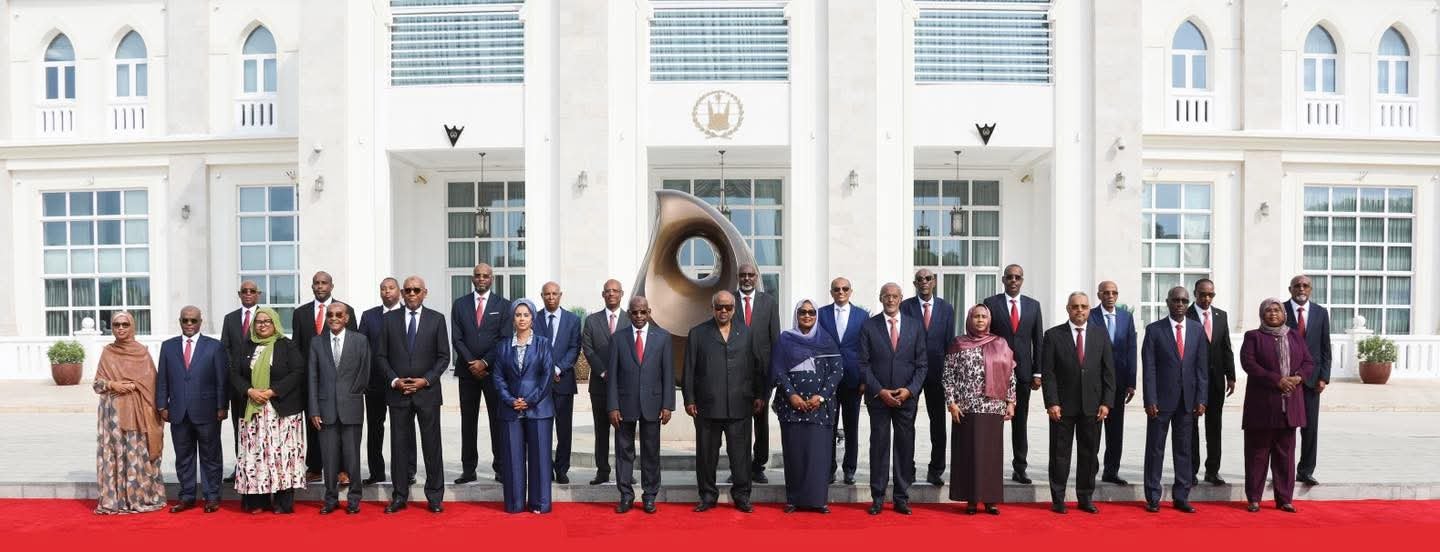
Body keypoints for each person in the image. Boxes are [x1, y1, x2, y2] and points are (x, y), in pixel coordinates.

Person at [684, 291, 763, 513]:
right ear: (713, 308)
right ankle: (708, 495)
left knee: (740, 455)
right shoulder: (698, 333)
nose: (724, 311)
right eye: (719, 307)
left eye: (728, 307)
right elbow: (689, 369)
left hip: (740, 406)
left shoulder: (746, 333)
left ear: (734, 309)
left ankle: (742, 495)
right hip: (708, 406)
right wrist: (689, 398)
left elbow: (757, 368)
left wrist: (759, 395)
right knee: (706, 456)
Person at [378, 276, 451, 514]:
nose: (411, 294)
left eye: (415, 290)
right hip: (398, 394)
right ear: (402, 292)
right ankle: (399, 496)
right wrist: (395, 381)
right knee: (399, 447)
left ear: (424, 293)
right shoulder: (388, 320)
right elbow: (381, 356)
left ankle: (435, 497)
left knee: (432, 446)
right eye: (407, 290)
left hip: (427, 393)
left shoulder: (436, 319)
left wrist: (425, 380)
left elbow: (443, 357)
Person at [1041, 293, 1115, 515]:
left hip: (1093, 407)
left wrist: (1107, 402)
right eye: (1075, 307)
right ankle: (1058, 498)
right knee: (1059, 454)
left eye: (1083, 306)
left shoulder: (1100, 335)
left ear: (1089, 309)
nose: (1079, 310)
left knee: (1089, 454)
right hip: (1062, 407)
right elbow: (1048, 373)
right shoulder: (1053, 335)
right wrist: (1052, 402)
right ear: (1068, 309)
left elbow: (1109, 371)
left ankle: (1085, 497)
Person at [230, 308, 308, 514]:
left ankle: (283, 502)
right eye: (258, 321)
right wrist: (249, 391)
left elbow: (298, 371)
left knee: (282, 456)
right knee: (256, 456)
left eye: (267, 321)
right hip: (252, 411)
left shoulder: (286, 345)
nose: (262, 325)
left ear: (275, 323)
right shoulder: (245, 346)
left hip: (282, 412)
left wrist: (273, 391)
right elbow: (234, 374)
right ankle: (257, 502)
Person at [859, 283, 927, 515]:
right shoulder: (869, 326)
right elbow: (863, 364)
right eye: (886, 296)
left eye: (894, 296)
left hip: (906, 398)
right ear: (880, 298)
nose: (890, 300)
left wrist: (910, 390)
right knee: (879, 446)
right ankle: (877, 496)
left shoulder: (915, 327)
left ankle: (901, 497)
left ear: (901, 298)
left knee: (904, 447)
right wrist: (880, 391)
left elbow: (922, 364)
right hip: (879, 398)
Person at [1240, 299, 1313, 513]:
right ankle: (1254, 498)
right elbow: (1249, 363)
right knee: (1257, 454)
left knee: (1285, 456)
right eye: (1268, 310)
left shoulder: (1294, 336)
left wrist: (1298, 378)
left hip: (1289, 406)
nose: (1273, 313)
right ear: (1262, 315)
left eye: (1276, 310)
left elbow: (1308, 362)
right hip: (1261, 407)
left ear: (1284, 314)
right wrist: (1277, 380)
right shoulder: (1253, 337)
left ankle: (1285, 499)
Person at [772, 299, 844, 514]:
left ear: (816, 315)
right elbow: (778, 370)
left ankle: (818, 501)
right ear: (797, 314)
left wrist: (820, 397)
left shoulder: (827, 341)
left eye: (811, 312)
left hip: (819, 407)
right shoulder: (785, 340)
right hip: (791, 406)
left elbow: (837, 371)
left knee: (818, 455)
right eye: (802, 312)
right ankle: (794, 500)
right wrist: (792, 395)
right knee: (795, 454)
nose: (807, 316)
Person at [1141, 286, 1208, 513]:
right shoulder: (1154, 330)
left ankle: (1182, 496)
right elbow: (1148, 368)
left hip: (1187, 402)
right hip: (1160, 401)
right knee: (1155, 450)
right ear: (1167, 302)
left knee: (1184, 450)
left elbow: (1201, 368)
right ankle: (1152, 496)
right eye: (1175, 300)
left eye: (1184, 300)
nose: (1180, 304)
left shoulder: (1197, 330)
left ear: (1188, 304)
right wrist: (1149, 399)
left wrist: (1201, 398)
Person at [944, 304, 1016, 516]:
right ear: (969, 319)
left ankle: (991, 500)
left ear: (989, 319)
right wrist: (951, 403)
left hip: (993, 406)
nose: (980, 320)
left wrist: (1011, 402)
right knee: (968, 454)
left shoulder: (1001, 343)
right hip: (966, 407)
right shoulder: (958, 343)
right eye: (976, 316)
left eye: (984, 316)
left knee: (990, 456)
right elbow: (948, 376)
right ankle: (971, 500)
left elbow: (1010, 375)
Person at [92, 311, 166, 515]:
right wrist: (113, 384)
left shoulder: (142, 353)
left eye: (125, 324)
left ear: (132, 326)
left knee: (136, 454)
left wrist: (135, 387)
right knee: (115, 454)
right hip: (113, 416)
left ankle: (138, 496)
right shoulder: (108, 352)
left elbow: (153, 384)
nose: (121, 328)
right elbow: (97, 384)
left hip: (139, 413)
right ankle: (115, 499)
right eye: (116, 325)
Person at [607, 296, 675, 514]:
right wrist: (612, 406)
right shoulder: (618, 338)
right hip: (624, 404)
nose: (639, 316)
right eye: (635, 312)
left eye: (643, 312)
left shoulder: (663, 338)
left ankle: (649, 496)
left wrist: (667, 405)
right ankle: (626, 495)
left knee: (651, 452)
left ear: (649, 312)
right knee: (624, 452)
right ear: (629, 313)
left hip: (653, 404)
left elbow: (668, 374)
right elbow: (613, 376)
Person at [156, 306, 228, 513]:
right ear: (180, 321)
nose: (189, 324)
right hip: (178, 411)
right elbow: (163, 379)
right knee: (183, 457)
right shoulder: (168, 347)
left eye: (193, 321)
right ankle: (187, 496)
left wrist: (222, 406)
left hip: (207, 411)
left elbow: (222, 380)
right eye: (185, 320)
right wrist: (162, 404)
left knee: (210, 456)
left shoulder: (214, 346)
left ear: (200, 322)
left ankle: (212, 496)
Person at [292, 271, 357, 484]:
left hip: (339, 380)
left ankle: (342, 469)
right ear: (312, 286)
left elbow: (353, 347)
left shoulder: (345, 310)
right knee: (314, 422)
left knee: (339, 424)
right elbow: (297, 347)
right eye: (316, 283)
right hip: (310, 379)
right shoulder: (300, 313)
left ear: (331, 286)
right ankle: (315, 466)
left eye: (324, 283)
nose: (320, 286)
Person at [493, 299, 557, 514]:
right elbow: (498, 377)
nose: (522, 319)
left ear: (532, 318)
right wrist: (511, 400)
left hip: (539, 409)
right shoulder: (502, 346)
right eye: (518, 315)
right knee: (512, 458)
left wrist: (529, 400)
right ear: (513, 318)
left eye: (526, 315)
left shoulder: (543, 343)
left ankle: (540, 503)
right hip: (510, 409)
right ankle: (515, 504)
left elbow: (547, 376)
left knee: (540, 458)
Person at [307, 302, 371, 515]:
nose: (333, 318)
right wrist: (314, 410)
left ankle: (354, 499)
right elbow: (313, 377)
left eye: (338, 315)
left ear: (347, 318)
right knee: (329, 458)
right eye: (330, 315)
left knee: (352, 458)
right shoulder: (317, 342)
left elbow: (365, 371)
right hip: (325, 410)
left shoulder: (360, 340)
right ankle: (330, 499)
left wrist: (351, 395)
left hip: (351, 407)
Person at [451, 263, 511, 484]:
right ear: (472, 278)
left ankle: (501, 468)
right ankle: (468, 469)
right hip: (467, 373)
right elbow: (456, 338)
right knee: (468, 421)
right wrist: (471, 363)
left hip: (493, 372)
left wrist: (484, 362)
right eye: (478, 275)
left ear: (492, 279)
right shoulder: (459, 305)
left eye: (486, 276)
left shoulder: (503, 306)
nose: (481, 279)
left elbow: (504, 339)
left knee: (498, 420)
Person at [984, 264, 1044, 484]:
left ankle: (1020, 468)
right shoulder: (991, 304)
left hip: (1024, 373)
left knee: (1021, 422)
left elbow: (1038, 341)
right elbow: (985, 339)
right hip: (997, 373)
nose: (1013, 280)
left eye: (1017, 277)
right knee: (994, 422)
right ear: (1003, 280)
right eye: (1009, 277)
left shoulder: (1033, 306)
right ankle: (991, 467)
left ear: (1022, 280)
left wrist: (1038, 372)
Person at [900, 268, 956, 486]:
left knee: (938, 424)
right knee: (907, 423)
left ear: (934, 282)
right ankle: (907, 469)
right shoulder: (905, 307)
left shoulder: (946, 308)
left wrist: (949, 375)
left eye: (928, 278)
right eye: (920, 279)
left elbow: (949, 343)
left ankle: (936, 470)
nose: (924, 282)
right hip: (911, 374)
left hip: (937, 373)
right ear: (915, 283)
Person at [358, 277, 411, 486]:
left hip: (401, 382)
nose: (387, 292)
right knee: (375, 428)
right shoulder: (369, 316)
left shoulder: (408, 313)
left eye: (391, 288)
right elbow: (362, 348)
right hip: (375, 383)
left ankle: (408, 471)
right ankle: (376, 472)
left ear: (399, 291)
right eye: (383, 289)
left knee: (404, 428)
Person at [818, 277, 867, 485]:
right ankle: (829, 469)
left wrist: (865, 380)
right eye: (836, 289)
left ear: (851, 291)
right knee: (828, 425)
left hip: (853, 380)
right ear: (831, 292)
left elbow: (866, 349)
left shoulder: (862, 316)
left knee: (851, 426)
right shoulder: (821, 314)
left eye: (845, 288)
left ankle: (849, 469)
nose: (841, 292)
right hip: (827, 380)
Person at [733, 264, 779, 483]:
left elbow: (775, 340)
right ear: (738, 277)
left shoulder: (768, 302)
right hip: (735, 373)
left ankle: (758, 465)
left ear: (756, 277)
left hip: (762, 373)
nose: (747, 278)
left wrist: (774, 374)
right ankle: (738, 467)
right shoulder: (728, 301)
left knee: (761, 422)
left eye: (751, 275)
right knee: (738, 423)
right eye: (743, 275)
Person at [1187, 278, 1235, 485]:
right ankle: (1191, 470)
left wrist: (1231, 375)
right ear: (1195, 294)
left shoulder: (1221, 316)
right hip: (1193, 381)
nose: (1206, 298)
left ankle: (1212, 470)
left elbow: (1226, 347)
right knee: (1191, 427)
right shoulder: (1185, 315)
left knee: (1214, 426)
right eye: (1202, 294)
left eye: (1210, 295)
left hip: (1215, 381)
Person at [1285, 275, 1330, 487]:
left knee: (1310, 428)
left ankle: (1306, 470)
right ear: (1290, 289)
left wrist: (1324, 377)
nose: (1301, 289)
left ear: (1311, 289)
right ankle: (1284, 471)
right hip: (1288, 380)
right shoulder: (1280, 310)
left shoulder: (1321, 313)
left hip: (1312, 381)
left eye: (1305, 286)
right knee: (1286, 428)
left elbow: (1325, 347)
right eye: (1297, 286)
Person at [1090, 281, 1137, 486]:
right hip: (1094, 382)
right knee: (1093, 429)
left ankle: (1111, 471)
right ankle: (1090, 470)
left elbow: (1131, 349)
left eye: (1114, 293)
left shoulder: (1126, 317)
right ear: (1099, 295)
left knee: (1115, 430)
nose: (1110, 296)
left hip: (1118, 382)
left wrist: (1131, 381)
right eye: (1106, 293)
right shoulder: (1090, 315)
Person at [581, 279, 626, 485]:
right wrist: (603, 372)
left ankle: (624, 471)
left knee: (623, 431)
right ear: (603, 295)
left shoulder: (630, 319)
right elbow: (588, 349)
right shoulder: (592, 321)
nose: (611, 294)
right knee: (601, 431)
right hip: (600, 385)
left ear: (621, 294)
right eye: (607, 291)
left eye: (615, 291)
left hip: (625, 387)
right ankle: (602, 471)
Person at [536, 282, 581, 484]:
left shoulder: (572, 320)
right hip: (539, 384)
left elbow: (574, 349)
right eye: (547, 294)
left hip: (563, 382)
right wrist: (546, 370)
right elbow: (532, 347)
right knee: (542, 428)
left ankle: (562, 469)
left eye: (554, 294)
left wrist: (557, 368)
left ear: (560, 295)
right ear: (542, 296)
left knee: (564, 430)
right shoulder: (533, 318)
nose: (551, 297)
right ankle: (545, 469)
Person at [220, 280, 261, 484]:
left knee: (260, 427)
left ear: (258, 294)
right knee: (240, 426)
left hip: (260, 384)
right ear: (239, 294)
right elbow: (224, 348)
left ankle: (260, 465)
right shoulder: (230, 319)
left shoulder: (266, 317)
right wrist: (234, 373)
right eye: (244, 291)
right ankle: (242, 466)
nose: (248, 294)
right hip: (237, 385)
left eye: (251, 291)